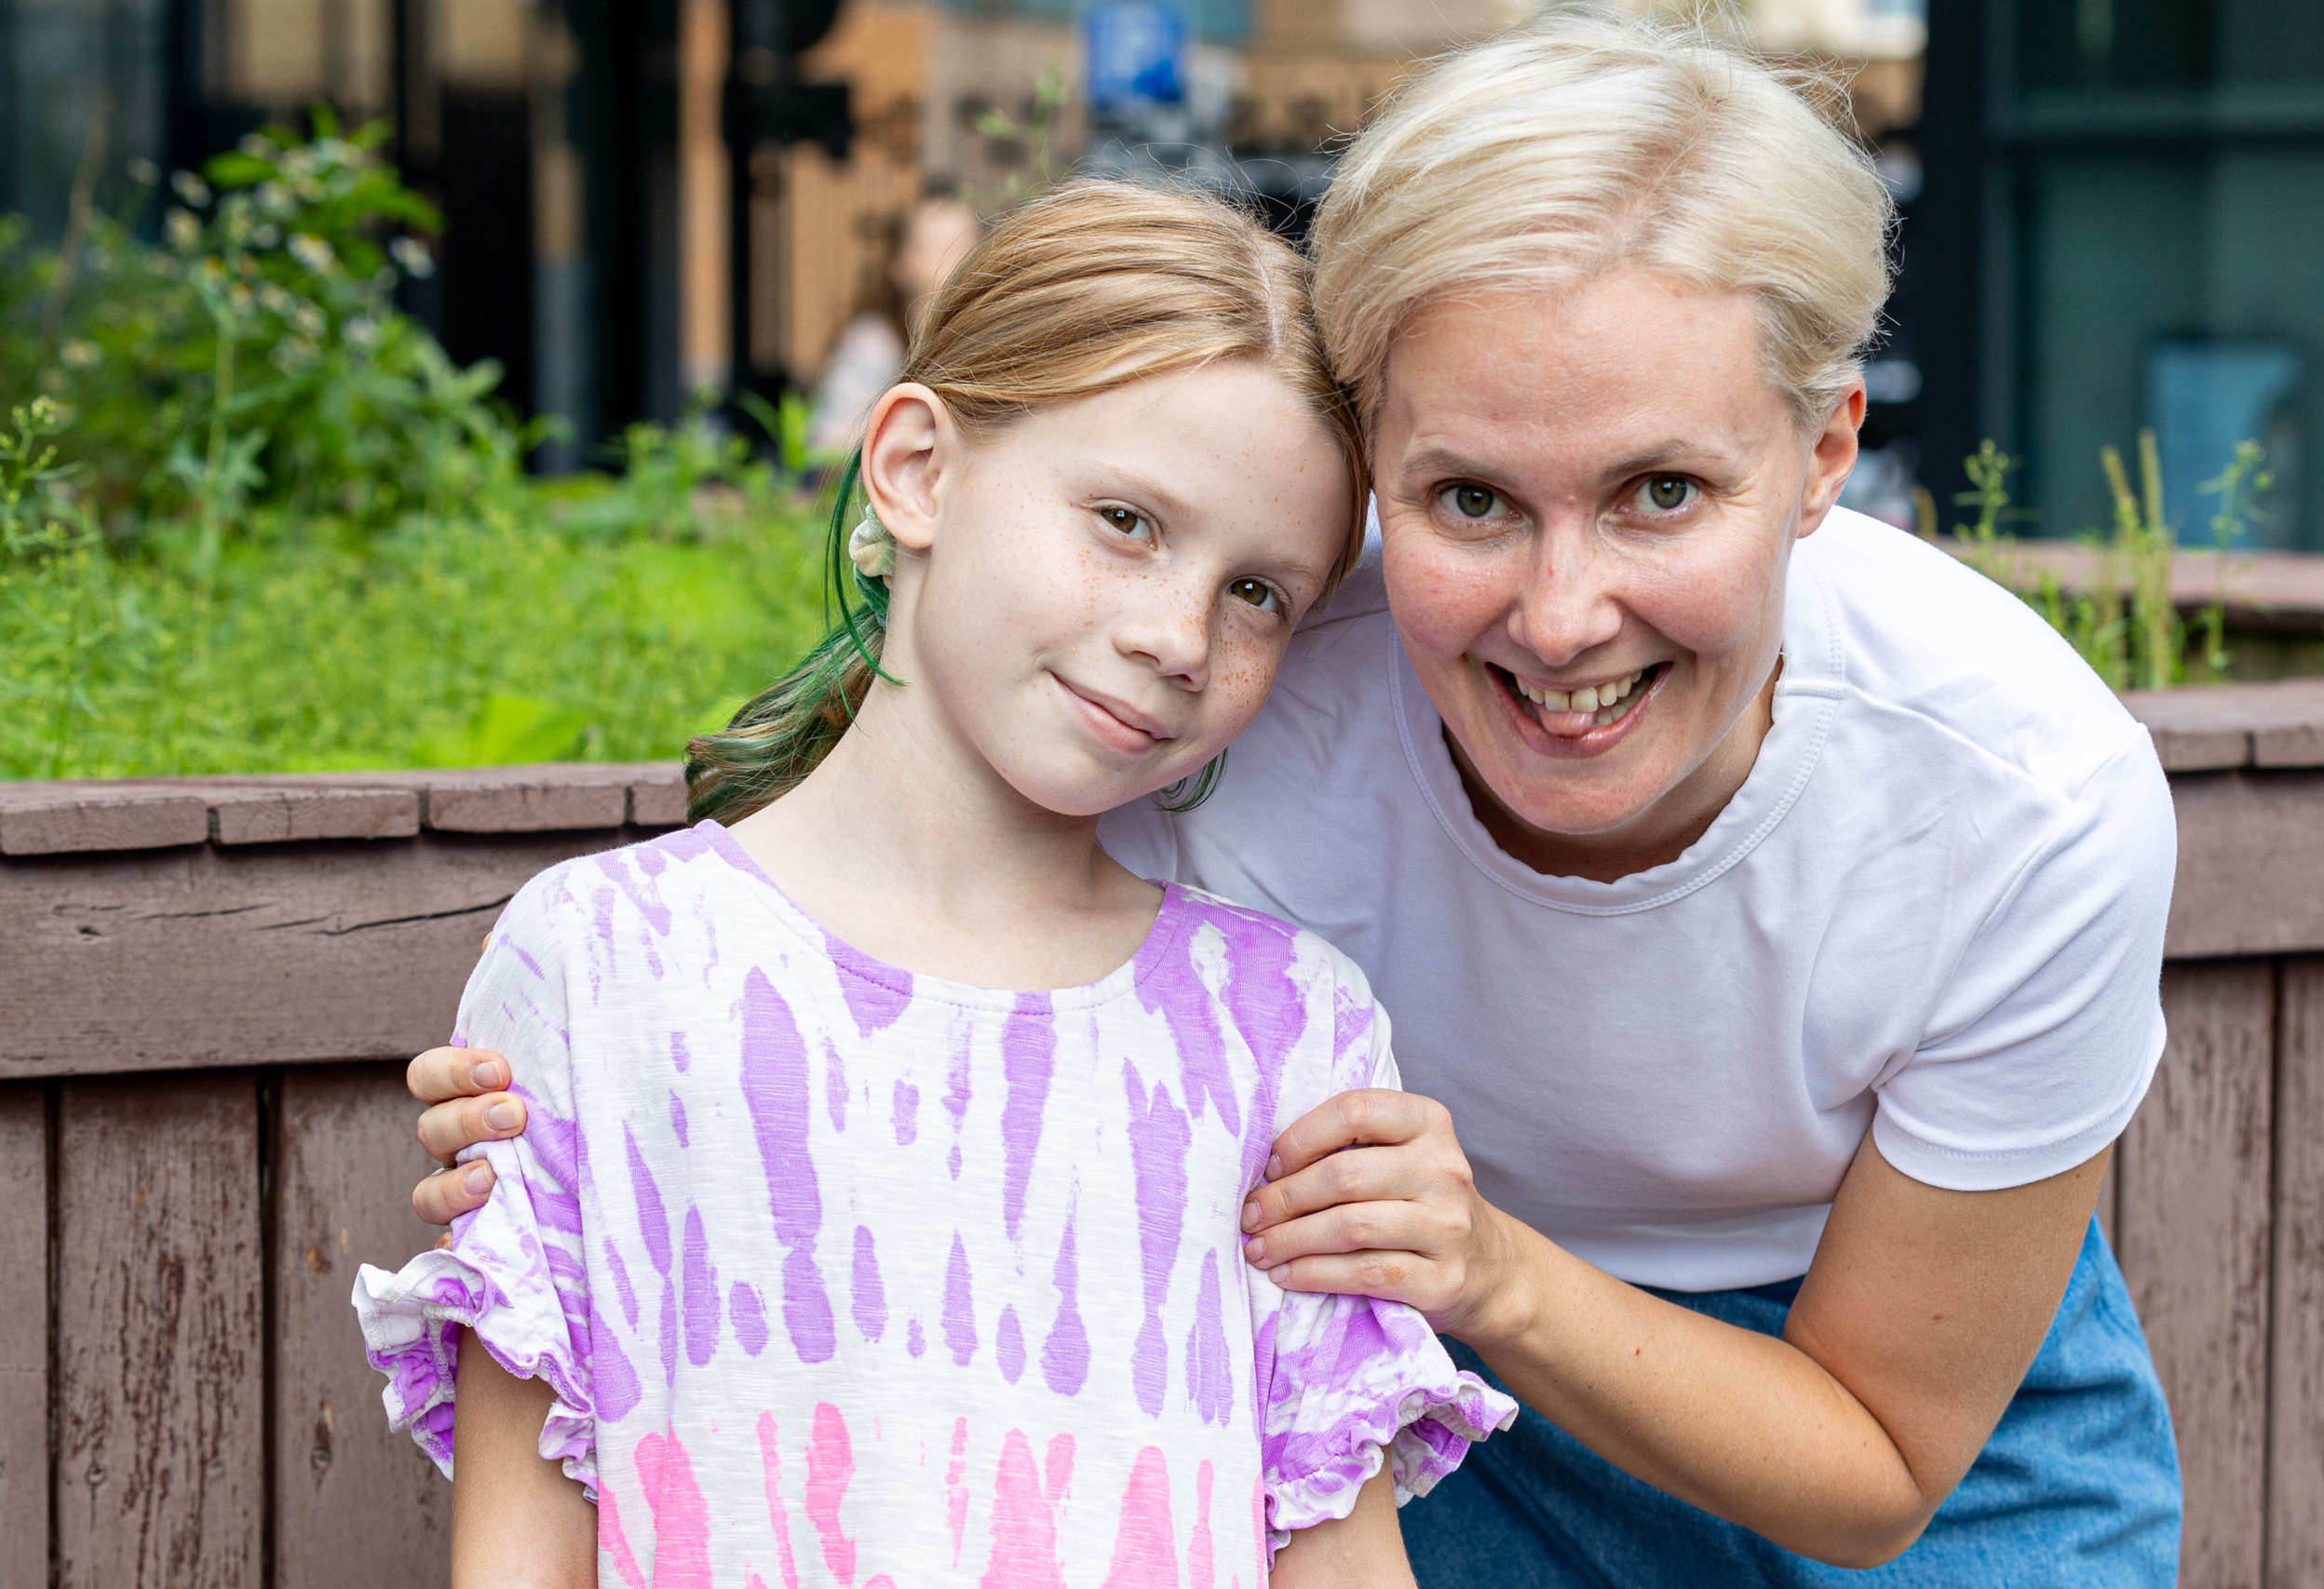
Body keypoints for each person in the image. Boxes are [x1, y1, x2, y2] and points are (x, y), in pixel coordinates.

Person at [407, 11, 2184, 1583]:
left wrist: (1486, 1267)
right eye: (1469, 498)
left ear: (1821, 455)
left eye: (1659, 490)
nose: (1563, 617)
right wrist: (606, 1103)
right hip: (1418, 1381)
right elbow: (922, 860)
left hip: (1864, 1414)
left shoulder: (2024, 798)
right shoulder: (1242, 655)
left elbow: (1880, 1463)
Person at [354, 182, 1512, 1588]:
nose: (1178, 635)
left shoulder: (1287, 1029)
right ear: (913, 467)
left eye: (1258, 590)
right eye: (1128, 520)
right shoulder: (602, 965)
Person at [801, 190, 983, 463]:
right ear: (900, 264)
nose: (956, 262)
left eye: (965, 246)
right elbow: (827, 442)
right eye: (938, 248)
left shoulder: (987, 338)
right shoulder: (876, 342)